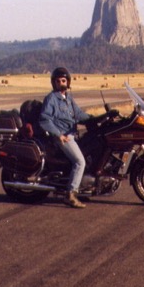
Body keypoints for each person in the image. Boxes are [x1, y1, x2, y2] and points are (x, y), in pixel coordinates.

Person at [39, 67, 92, 208]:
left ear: (68, 82)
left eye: (63, 80)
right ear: (53, 83)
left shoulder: (68, 98)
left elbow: (79, 114)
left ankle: (84, 186)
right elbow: (45, 119)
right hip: (64, 137)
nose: (61, 83)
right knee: (80, 162)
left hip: (72, 134)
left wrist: (97, 119)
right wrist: (58, 135)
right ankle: (71, 194)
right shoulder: (51, 99)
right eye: (58, 81)